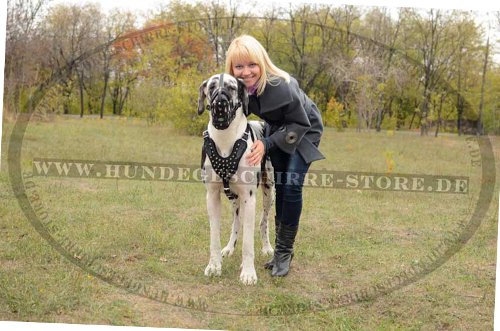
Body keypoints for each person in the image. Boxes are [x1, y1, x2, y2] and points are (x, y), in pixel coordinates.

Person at [225, 35, 325, 277]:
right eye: (239, 66)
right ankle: (281, 250)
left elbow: (299, 122)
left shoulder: (281, 85)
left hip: (303, 129)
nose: (246, 72)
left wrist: (267, 143)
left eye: (252, 65)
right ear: (231, 68)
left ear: (261, 62)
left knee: (291, 185)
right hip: (276, 131)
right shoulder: (238, 88)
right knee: (280, 184)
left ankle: (283, 252)